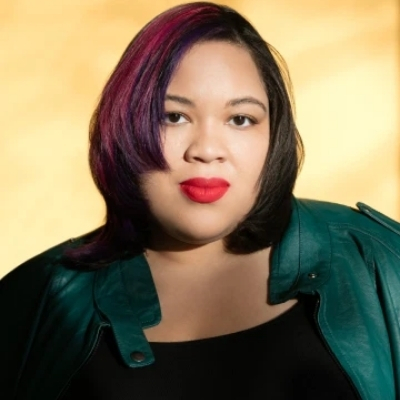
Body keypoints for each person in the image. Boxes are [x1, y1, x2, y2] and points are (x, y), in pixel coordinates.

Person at [1, 2, 399, 399]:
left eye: (240, 119)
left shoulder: (377, 259)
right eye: (173, 117)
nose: (207, 150)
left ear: (273, 134)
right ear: (124, 127)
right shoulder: (35, 300)